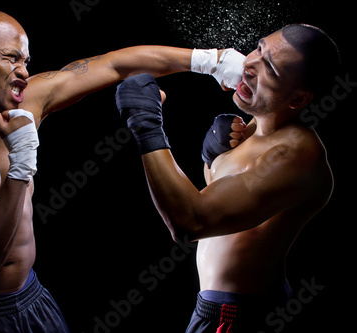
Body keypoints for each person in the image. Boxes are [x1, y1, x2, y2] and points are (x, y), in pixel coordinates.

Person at [0, 7, 244, 333]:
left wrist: (210, 60)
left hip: (31, 296)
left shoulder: (28, 101)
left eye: (25, 60)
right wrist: (21, 162)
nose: (23, 72)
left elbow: (114, 64)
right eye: (11, 59)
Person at [115, 24, 339, 333]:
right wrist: (212, 159)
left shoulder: (295, 155)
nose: (250, 65)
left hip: (239, 314)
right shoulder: (250, 129)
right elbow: (221, 198)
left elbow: (191, 222)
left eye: (269, 69)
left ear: (298, 100)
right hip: (221, 305)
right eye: (258, 49)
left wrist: (146, 124)